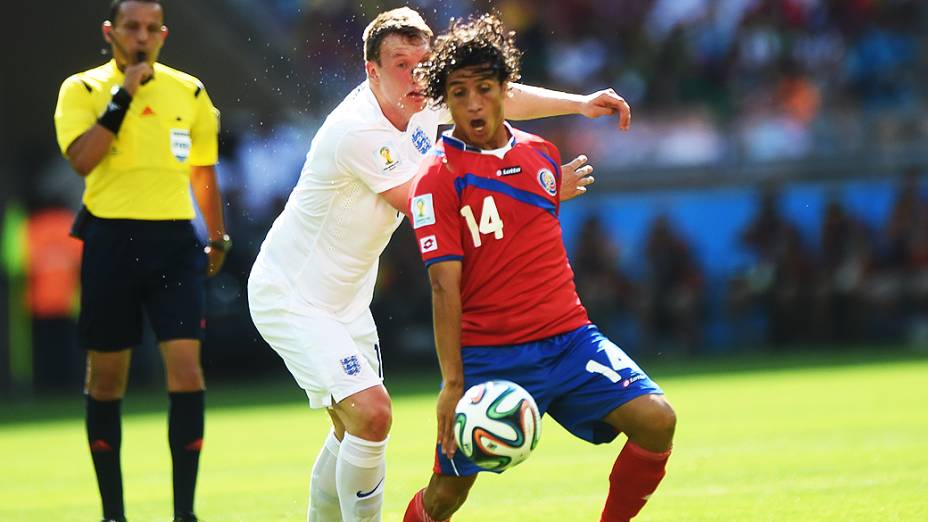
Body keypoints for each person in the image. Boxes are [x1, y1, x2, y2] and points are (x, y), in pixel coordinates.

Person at [247, 7, 635, 522]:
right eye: (399, 63)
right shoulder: (356, 132)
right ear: (371, 71)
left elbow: (503, 95)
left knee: (349, 428)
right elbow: (431, 206)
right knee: (373, 414)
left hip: (347, 299)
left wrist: (580, 104)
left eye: (421, 63)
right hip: (292, 295)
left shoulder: (425, 98)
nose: (414, 75)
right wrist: (538, 187)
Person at [402, 15, 676, 522]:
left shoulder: (543, 156)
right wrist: (452, 384)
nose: (473, 103)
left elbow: (518, 218)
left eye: (484, 88)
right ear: (447, 101)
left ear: (506, 90)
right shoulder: (436, 179)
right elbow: (444, 288)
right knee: (445, 497)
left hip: (569, 340)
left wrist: (552, 185)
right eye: (459, 93)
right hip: (489, 357)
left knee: (657, 420)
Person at [53, 1, 228, 520]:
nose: (142, 36)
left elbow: (203, 170)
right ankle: (113, 513)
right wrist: (126, 91)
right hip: (109, 238)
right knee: (107, 379)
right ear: (110, 32)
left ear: (164, 35)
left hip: (174, 243)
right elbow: (83, 159)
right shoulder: (80, 89)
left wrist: (216, 237)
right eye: (132, 26)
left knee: (187, 372)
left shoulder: (190, 91)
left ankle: (184, 513)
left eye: (152, 28)